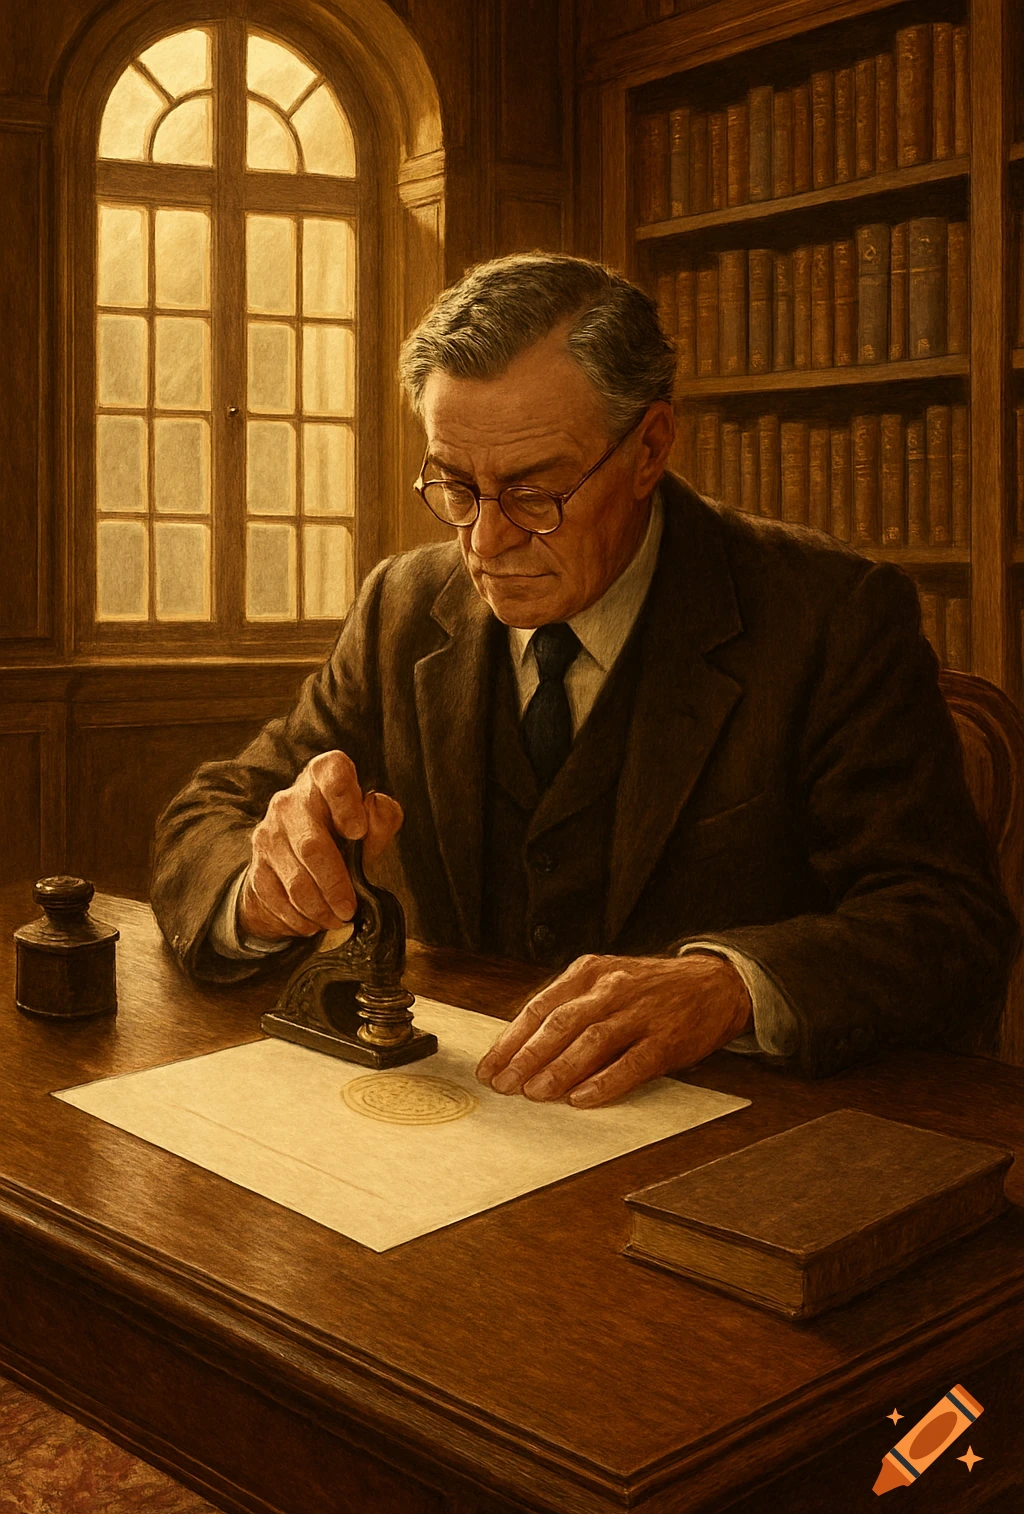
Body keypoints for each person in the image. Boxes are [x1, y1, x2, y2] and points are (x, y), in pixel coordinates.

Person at [152, 253, 1017, 1107]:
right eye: (456, 486)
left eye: (535, 492)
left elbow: (951, 926)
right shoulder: (404, 607)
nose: (485, 544)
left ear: (649, 448)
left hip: (730, 1139)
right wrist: (264, 885)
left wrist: (726, 988)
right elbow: (208, 814)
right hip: (472, 1126)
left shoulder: (830, 616)